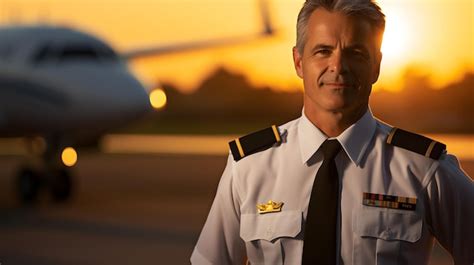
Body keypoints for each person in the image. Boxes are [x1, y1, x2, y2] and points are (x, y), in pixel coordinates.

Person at [190, 0, 474, 264]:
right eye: (323, 51)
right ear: (299, 62)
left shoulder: (422, 169)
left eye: (356, 53)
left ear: (375, 66)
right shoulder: (249, 167)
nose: (338, 66)